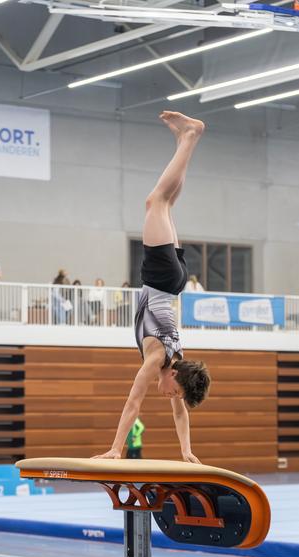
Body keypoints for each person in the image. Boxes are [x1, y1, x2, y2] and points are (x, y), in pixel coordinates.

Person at [94, 111, 211, 463]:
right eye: (174, 390)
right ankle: (191, 136)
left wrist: (187, 451)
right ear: (174, 375)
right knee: (156, 201)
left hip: (174, 281)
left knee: (166, 203)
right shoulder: (158, 358)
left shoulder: (175, 359)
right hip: (161, 279)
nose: (169, 396)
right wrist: (117, 448)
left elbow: (180, 412)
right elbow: (134, 401)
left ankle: (185, 141)